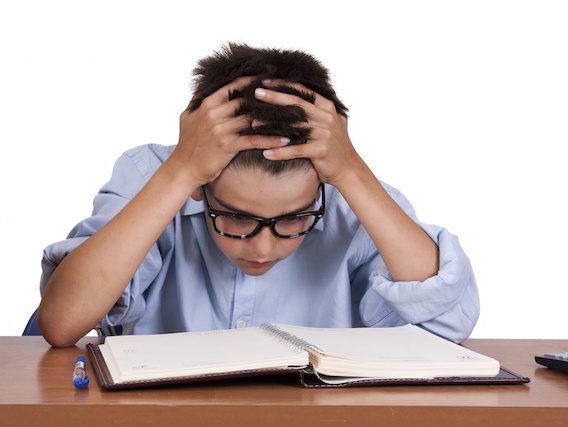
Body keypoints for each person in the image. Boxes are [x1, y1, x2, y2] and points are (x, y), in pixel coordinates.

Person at [37, 43, 479, 348]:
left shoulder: (351, 192)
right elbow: (62, 322)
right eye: (236, 218)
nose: (264, 248)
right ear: (202, 187)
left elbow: (447, 323)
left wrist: (353, 172)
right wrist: (181, 172)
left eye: (294, 220)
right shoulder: (158, 176)